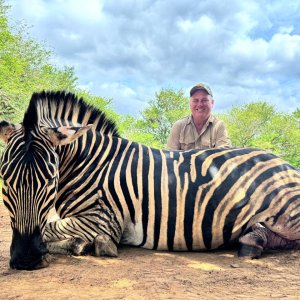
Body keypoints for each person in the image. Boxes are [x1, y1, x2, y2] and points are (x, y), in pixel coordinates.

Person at [167, 83, 231, 151]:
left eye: (204, 100)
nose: (200, 104)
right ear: (190, 104)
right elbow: (170, 157)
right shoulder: (178, 126)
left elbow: (224, 157)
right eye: (195, 100)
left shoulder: (219, 126)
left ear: (212, 103)